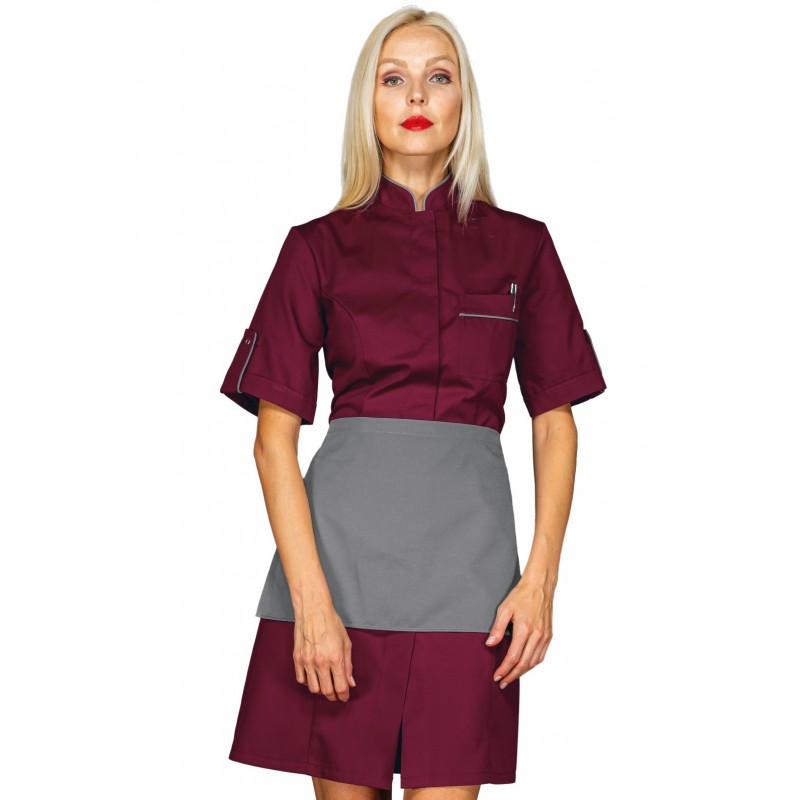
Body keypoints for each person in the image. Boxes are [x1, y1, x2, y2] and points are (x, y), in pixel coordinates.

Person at [219, 7, 607, 799]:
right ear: (368, 102)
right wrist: (312, 603)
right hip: (339, 575)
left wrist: (540, 582)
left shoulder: (524, 247)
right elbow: (271, 440)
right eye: (393, 79)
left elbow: (554, 424)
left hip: (472, 583)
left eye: (439, 76)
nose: (417, 96)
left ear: (465, 99)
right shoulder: (314, 247)